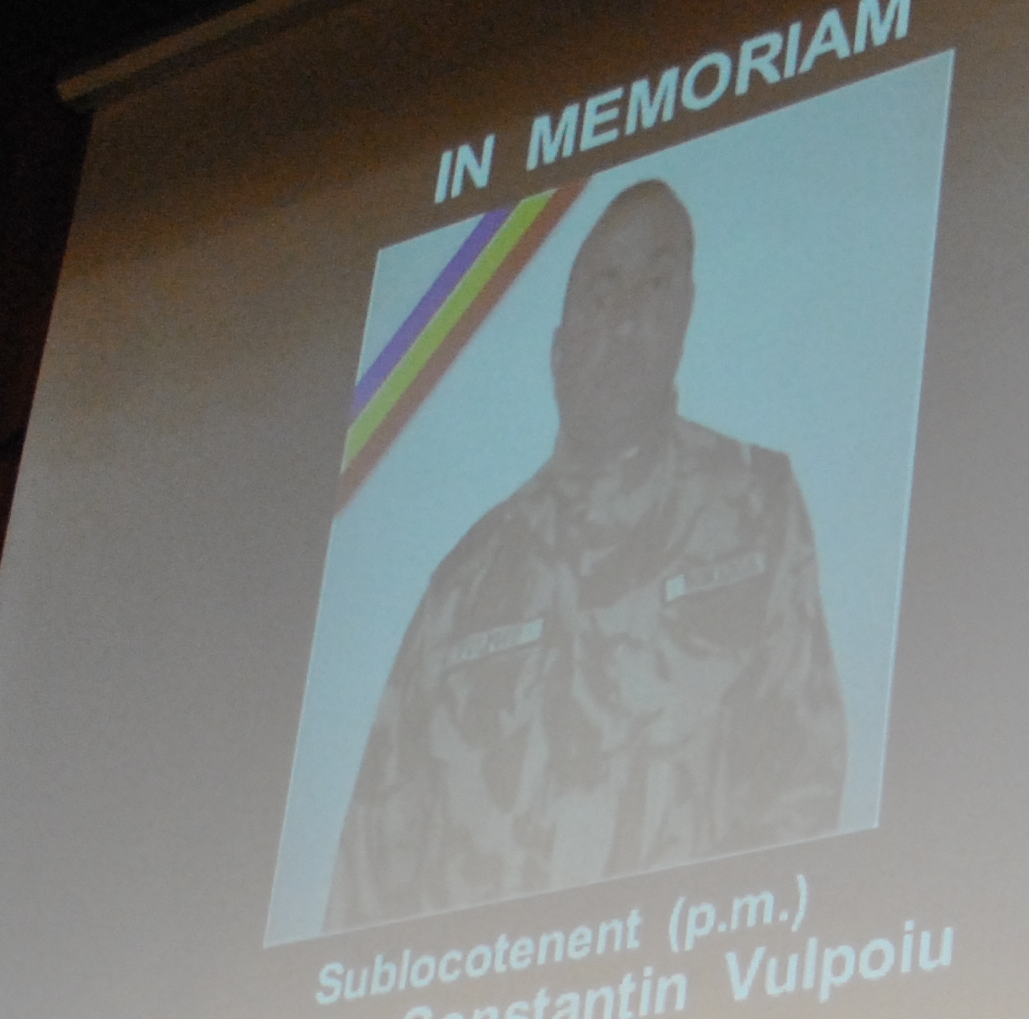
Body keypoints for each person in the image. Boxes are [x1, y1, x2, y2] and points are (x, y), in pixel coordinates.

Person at [328, 179, 847, 928]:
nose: (630, 317)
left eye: (657, 285)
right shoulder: (466, 581)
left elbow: (802, 781)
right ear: (558, 347)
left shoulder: (753, 505)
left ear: (685, 317)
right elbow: (369, 881)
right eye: (603, 293)